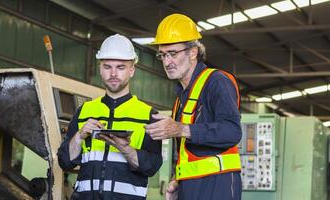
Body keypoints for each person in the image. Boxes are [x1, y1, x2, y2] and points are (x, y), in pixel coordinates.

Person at [145, 14, 242, 200]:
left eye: (173, 53)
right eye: (162, 55)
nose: (167, 62)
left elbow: (232, 131)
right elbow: (188, 152)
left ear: (192, 52)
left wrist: (181, 129)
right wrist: (177, 179)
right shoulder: (181, 97)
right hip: (188, 187)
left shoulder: (217, 82)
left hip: (217, 186)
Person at [57, 34, 162, 200]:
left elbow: (152, 167)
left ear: (132, 70)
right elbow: (65, 162)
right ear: (100, 69)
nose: (113, 73)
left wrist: (125, 148)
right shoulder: (84, 111)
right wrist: (79, 136)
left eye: (120, 67)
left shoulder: (148, 115)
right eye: (107, 67)